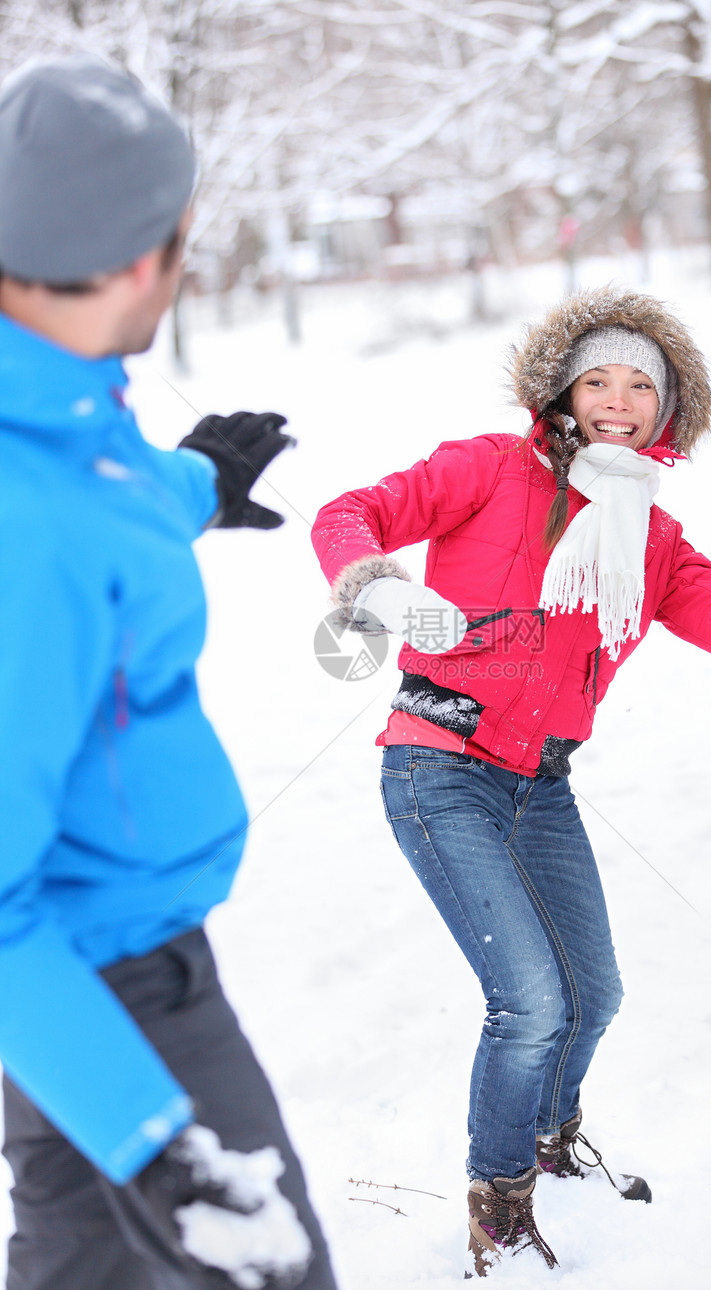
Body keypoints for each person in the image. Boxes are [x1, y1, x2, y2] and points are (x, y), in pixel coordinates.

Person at [311, 286, 711, 1278]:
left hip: (537, 786)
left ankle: (551, 1147)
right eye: (594, 378)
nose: (614, 398)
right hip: (437, 763)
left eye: (637, 384)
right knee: (528, 1003)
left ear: (666, 407)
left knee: (589, 995)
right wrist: (378, 585)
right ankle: (499, 1209)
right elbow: (352, 513)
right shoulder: (484, 467)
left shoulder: (650, 539)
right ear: (559, 388)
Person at [0, 55, 338, 1290]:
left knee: (73, 1265)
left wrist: (199, 480)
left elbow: (103, 495)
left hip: (70, 994)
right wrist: (153, 1142)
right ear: (149, 254)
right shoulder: (30, 521)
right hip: (110, 998)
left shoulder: (55, 415)